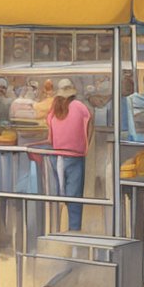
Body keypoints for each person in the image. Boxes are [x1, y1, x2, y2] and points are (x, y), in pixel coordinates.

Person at [45, 79, 92, 231]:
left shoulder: (54, 109)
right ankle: (73, 234)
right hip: (75, 156)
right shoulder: (79, 106)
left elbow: (49, 131)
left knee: (58, 196)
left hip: (56, 156)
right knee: (74, 199)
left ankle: (55, 232)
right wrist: (86, 145)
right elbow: (90, 123)